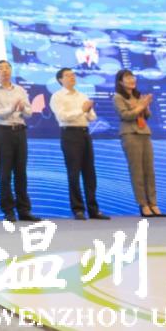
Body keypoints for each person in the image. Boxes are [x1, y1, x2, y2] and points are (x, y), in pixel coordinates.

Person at [49, 67, 110, 221]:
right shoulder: (57, 96)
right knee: (74, 173)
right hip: (69, 134)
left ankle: (93, 209)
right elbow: (62, 117)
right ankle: (78, 209)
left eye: (73, 75)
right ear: (60, 80)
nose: (72, 77)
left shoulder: (82, 95)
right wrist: (81, 110)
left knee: (90, 172)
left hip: (85, 133)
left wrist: (87, 110)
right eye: (68, 75)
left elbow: (92, 117)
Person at [0, 60, 41, 223]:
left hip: (20, 131)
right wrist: (10, 109)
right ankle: (8, 211)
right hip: (2, 132)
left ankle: (24, 210)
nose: (5, 70)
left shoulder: (20, 90)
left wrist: (23, 108)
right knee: (5, 173)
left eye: (7, 68)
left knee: (21, 173)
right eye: (1, 68)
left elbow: (29, 112)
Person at [114, 69, 166, 218]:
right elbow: (126, 115)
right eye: (127, 78)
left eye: (132, 77)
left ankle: (153, 203)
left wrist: (146, 106)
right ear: (120, 82)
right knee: (137, 171)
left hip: (144, 133)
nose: (132, 80)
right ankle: (143, 204)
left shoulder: (138, 96)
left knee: (149, 170)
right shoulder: (118, 97)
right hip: (130, 134)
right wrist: (141, 106)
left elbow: (147, 116)